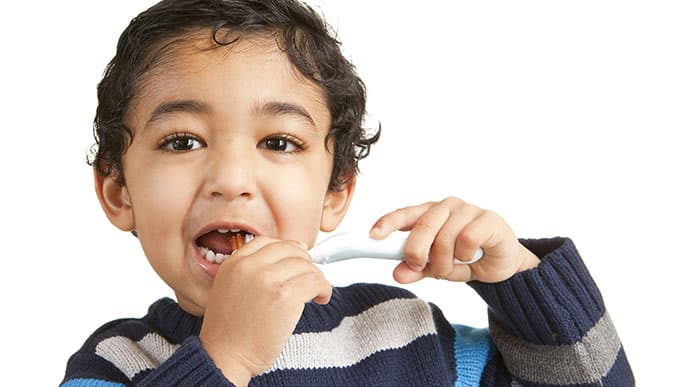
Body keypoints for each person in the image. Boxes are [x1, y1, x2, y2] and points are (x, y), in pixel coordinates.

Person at [61, 0, 634, 386]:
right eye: (183, 141)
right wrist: (224, 360)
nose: (231, 179)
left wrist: (521, 281)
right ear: (118, 191)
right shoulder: (115, 364)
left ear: (336, 192)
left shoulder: (408, 335)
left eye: (279, 142)